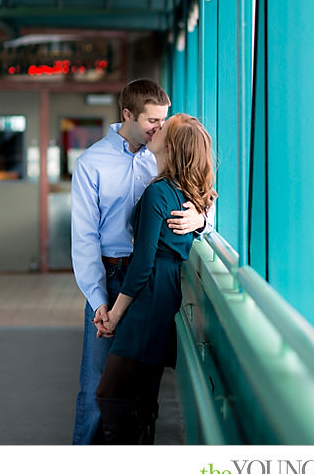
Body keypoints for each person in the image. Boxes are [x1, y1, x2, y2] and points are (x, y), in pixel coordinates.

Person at [70, 80, 212, 445]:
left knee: (136, 392)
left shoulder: (165, 154)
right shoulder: (92, 163)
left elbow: (200, 189)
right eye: (152, 120)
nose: (158, 127)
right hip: (113, 276)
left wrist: (202, 220)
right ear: (127, 115)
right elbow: (84, 239)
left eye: (163, 120)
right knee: (96, 388)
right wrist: (100, 302)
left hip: (148, 287)